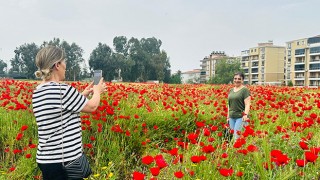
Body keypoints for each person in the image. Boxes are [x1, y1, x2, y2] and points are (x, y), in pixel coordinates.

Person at [32, 46, 106, 180]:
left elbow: (60, 108)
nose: (66, 66)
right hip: (65, 161)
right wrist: (97, 91)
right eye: (64, 62)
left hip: (47, 160)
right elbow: (92, 107)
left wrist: (83, 94)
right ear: (57, 65)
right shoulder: (62, 90)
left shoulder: (38, 90)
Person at [227, 72, 251, 140]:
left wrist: (245, 114)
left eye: (239, 79)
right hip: (232, 117)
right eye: (235, 78)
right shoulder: (231, 90)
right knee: (232, 136)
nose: (237, 80)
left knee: (236, 137)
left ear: (242, 80)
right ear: (233, 79)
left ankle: (236, 150)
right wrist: (228, 116)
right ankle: (233, 150)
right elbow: (229, 104)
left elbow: (247, 104)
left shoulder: (245, 90)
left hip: (240, 117)